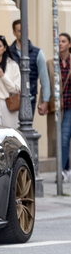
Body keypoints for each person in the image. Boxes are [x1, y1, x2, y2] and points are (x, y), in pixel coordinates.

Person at [10, 19, 51, 115]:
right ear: (14, 33)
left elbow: (44, 79)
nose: (23, 33)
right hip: (11, 99)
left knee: (27, 129)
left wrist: (45, 101)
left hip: (30, 98)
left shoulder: (37, 53)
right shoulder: (8, 52)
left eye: (25, 30)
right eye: (20, 31)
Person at [53, 32, 71, 179]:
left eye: (63, 41)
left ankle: (60, 172)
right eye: (58, 41)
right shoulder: (52, 63)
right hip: (59, 107)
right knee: (62, 138)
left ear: (69, 44)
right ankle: (66, 169)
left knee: (64, 138)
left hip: (70, 106)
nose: (60, 43)